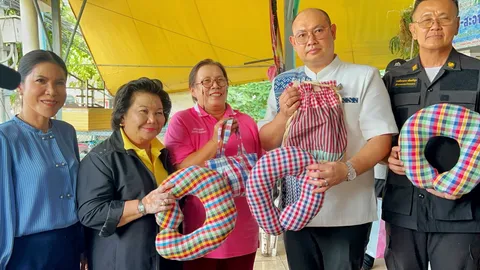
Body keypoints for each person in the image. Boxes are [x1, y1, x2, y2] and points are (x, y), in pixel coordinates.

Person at [258, 8, 398, 270]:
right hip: (296, 212)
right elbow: (266, 141)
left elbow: (381, 138)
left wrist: (348, 170)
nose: (311, 40)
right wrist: (283, 115)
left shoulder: (364, 77)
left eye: (318, 31)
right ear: (293, 43)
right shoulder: (283, 83)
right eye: (302, 35)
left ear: (332, 31)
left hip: (348, 211)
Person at [383, 0, 480, 269]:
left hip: (461, 213)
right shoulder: (393, 78)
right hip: (404, 210)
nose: (434, 25)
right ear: (413, 28)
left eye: (443, 18)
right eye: (426, 19)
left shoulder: (477, 74)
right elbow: (377, 133)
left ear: (457, 24)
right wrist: (385, 156)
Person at [164, 59, 262, 270]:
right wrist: (215, 141)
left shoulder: (247, 122)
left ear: (227, 85)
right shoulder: (182, 121)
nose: (215, 86)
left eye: (220, 80)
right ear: (193, 90)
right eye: (206, 81)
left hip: (243, 233)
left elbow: (259, 176)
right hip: (199, 235)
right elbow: (180, 171)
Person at [76, 78, 182, 270]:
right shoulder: (101, 158)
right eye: (144, 111)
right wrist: (143, 206)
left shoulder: (163, 154)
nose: (153, 119)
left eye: (159, 113)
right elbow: (91, 213)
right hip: (122, 261)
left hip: (166, 259)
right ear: (121, 117)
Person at [0, 50, 83, 269]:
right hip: (27, 253)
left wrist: (83, 244)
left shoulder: (67, 132)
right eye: (41, 81)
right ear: (20, 85)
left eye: (60, 83)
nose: (52, 91)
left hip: (71, 243)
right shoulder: (5, 138)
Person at [362, 58, 406, 270]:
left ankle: (372, 252)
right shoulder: (377, 96)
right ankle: (369, 253)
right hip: (380, 168)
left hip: (403, 167)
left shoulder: (407, 99)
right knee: (378, 210)